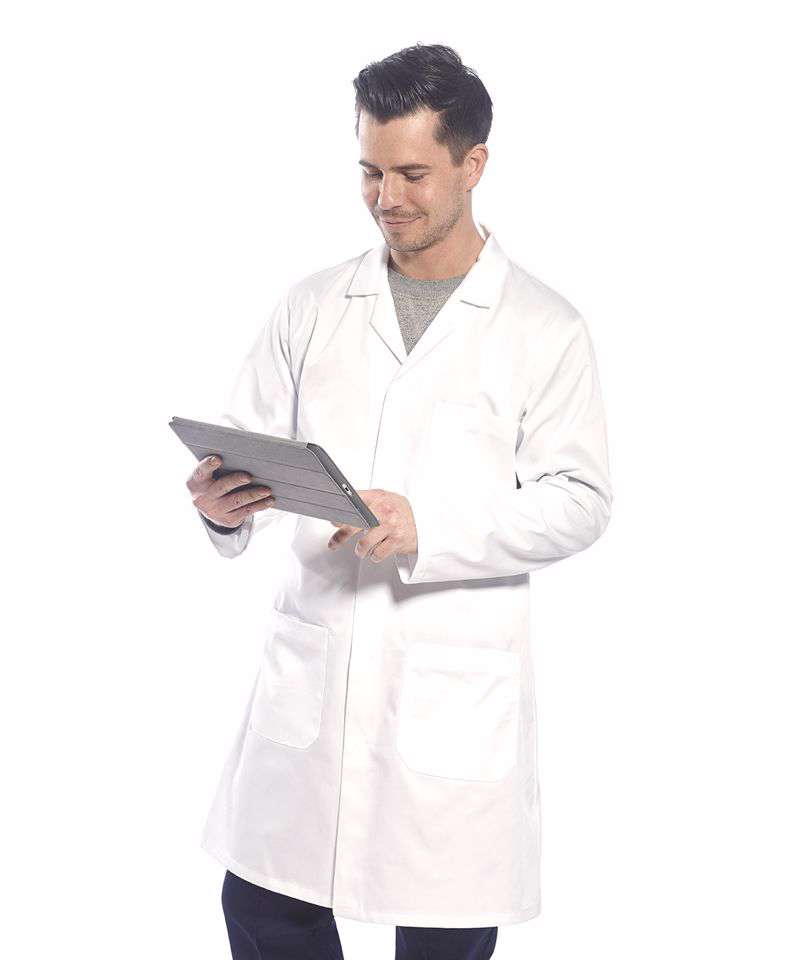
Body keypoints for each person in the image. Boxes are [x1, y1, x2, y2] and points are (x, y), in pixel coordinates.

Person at [185, 42, 613, 960]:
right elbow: (247, 448)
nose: (387, 197)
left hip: (450, 692)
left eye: (412, 174)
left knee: (443, 931)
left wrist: (431, 527)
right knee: (266, 909)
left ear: (473, 164)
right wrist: (221, 505)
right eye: (370, 172)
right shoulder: (313, 305)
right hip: (312, 678)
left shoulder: (544, 328)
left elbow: (580, 499)